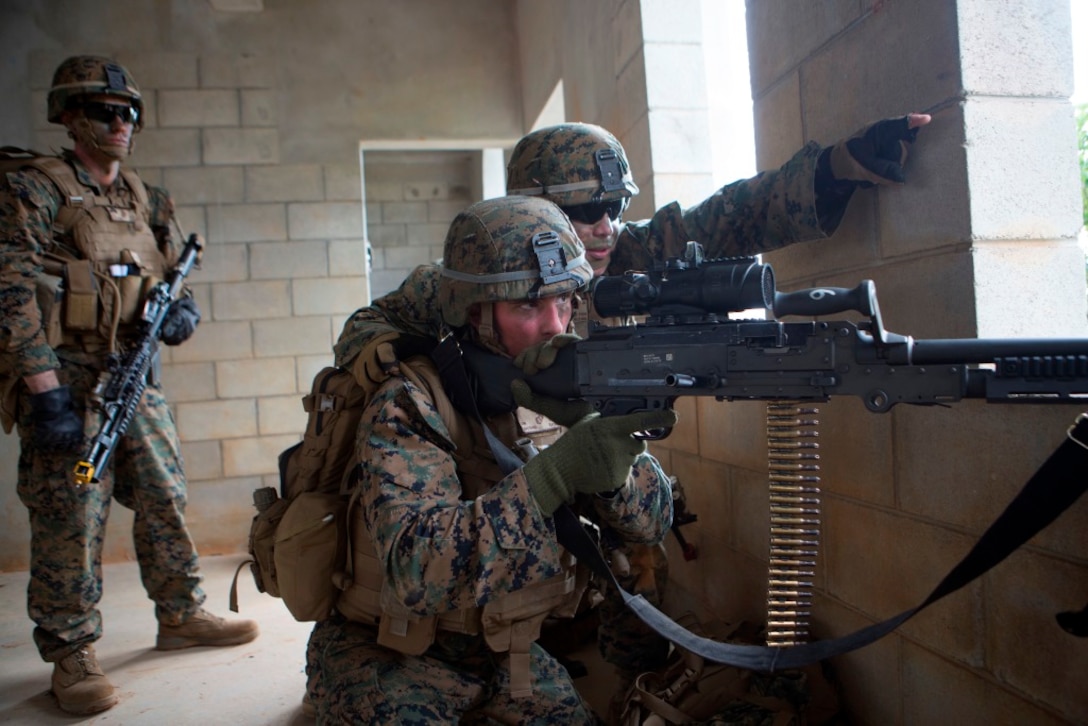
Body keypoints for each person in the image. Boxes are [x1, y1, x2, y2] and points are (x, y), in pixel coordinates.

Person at [326, 112, 932, 714]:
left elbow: (721, 221)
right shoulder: (467, 281)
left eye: (614, 206)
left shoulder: (613, 253)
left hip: (541, 499)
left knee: (638, 547)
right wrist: (435, 380)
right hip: (448, 496)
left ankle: (625, 679)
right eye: (586, 211)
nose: (606, 227)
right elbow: (367, 334)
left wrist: (834, 171)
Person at [304, 195, 677, 723]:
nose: (555, 325)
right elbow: (417, 574)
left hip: (508, 653)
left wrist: (601, 450)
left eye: (565, 301)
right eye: (528, 305)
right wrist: (557, 473)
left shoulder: (564, 385)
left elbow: (653, 521)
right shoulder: (411, 401)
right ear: (475, 314)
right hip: (389, 652)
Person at [0, 55, 258, 716]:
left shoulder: (146, 198)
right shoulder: (35, 190)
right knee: (73, 512)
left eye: (128, 113)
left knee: (167, 496)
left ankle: (181, 613)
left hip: (136, 378)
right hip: (65, 383)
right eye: (103, 112)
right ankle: (72, 651)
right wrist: (43, 388)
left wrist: (183, 312)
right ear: (68, 116)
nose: (119, 123)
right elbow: (9, 295)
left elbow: (172, 273)